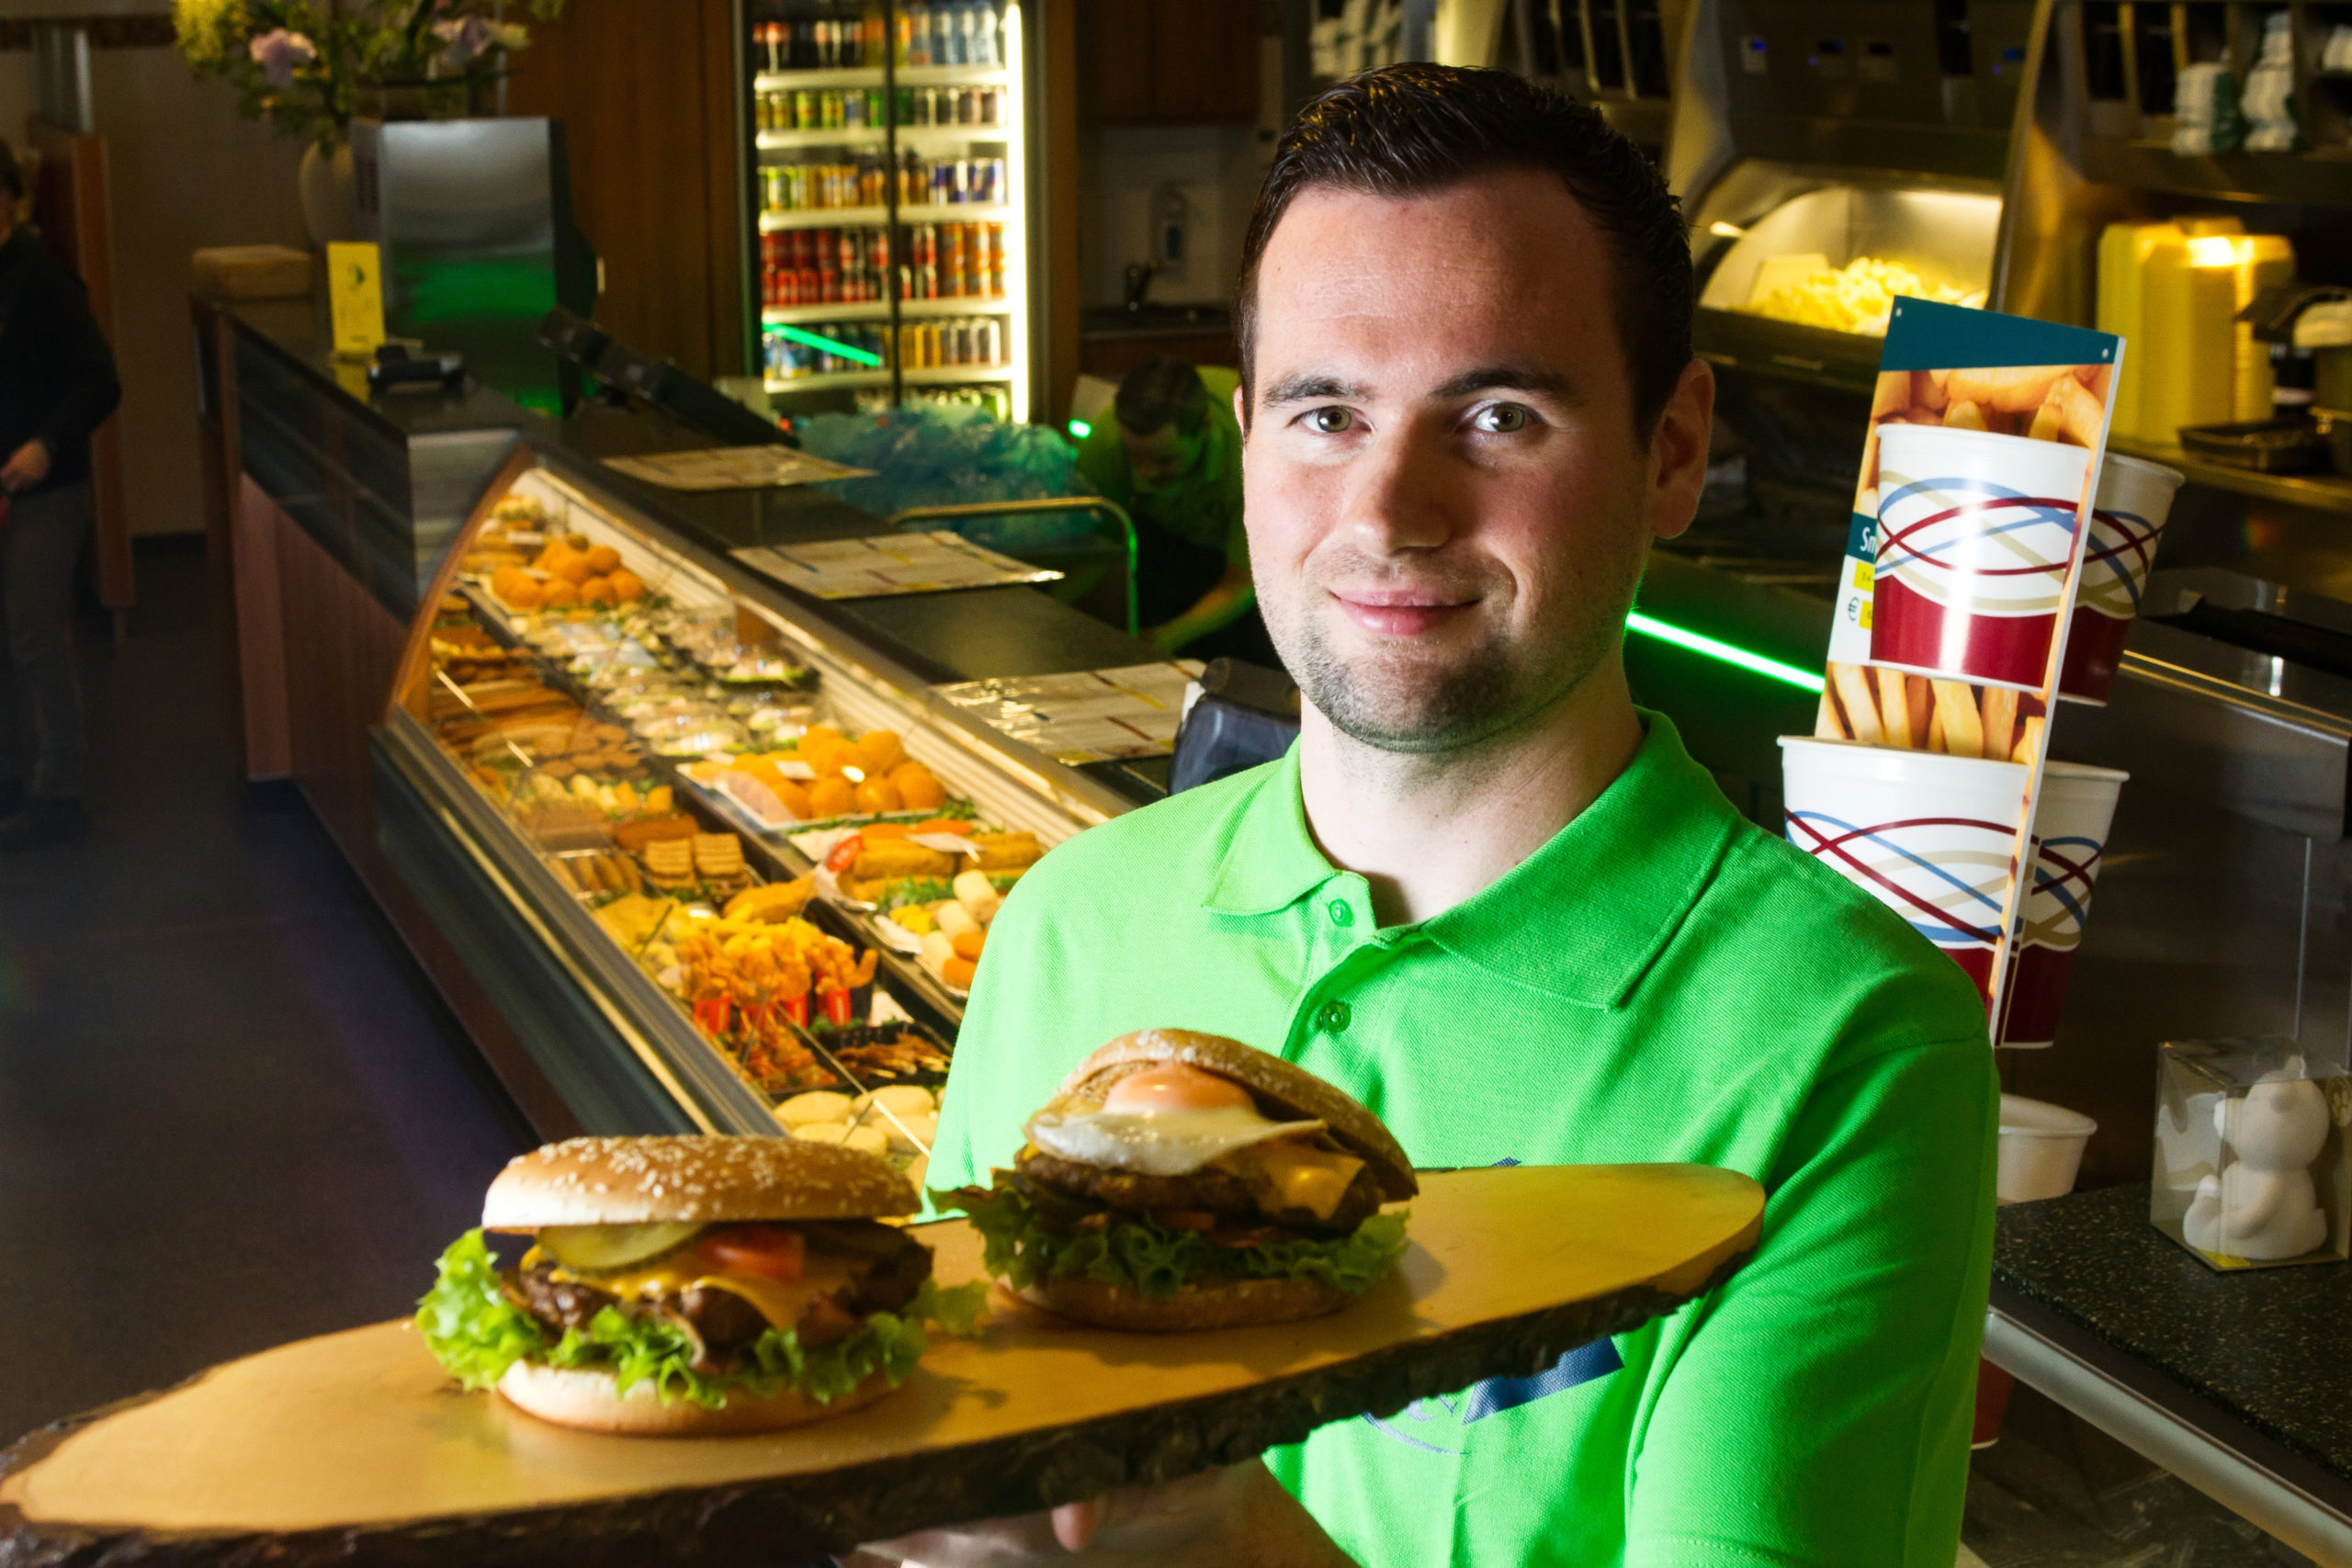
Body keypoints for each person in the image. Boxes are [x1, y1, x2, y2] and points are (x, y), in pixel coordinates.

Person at [877, 65, 1996, 1568]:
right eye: (1326, 412)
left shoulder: (1845, 1044)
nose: (1391, 507)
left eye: (1497, 415)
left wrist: (1215, 1538)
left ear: (1671, 450)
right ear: (1251, 438)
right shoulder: (1069, 920)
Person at [0, 135, 120, 847]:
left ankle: (60, 788)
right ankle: (14, 772)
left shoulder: (42, 281)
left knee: (35, 632)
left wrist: (44, 446)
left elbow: (99, 381)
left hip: (46, 491)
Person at [1073, 357, 1276, 665]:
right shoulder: (1107, 439)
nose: (1146, 473)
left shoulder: (1257, 456)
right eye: (1135, 457)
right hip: (1162, 537)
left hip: (1247, 575)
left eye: (1164, 460)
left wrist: (1160, 639)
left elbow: (1243, 583)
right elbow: (1099, 549)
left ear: (1204, 429)